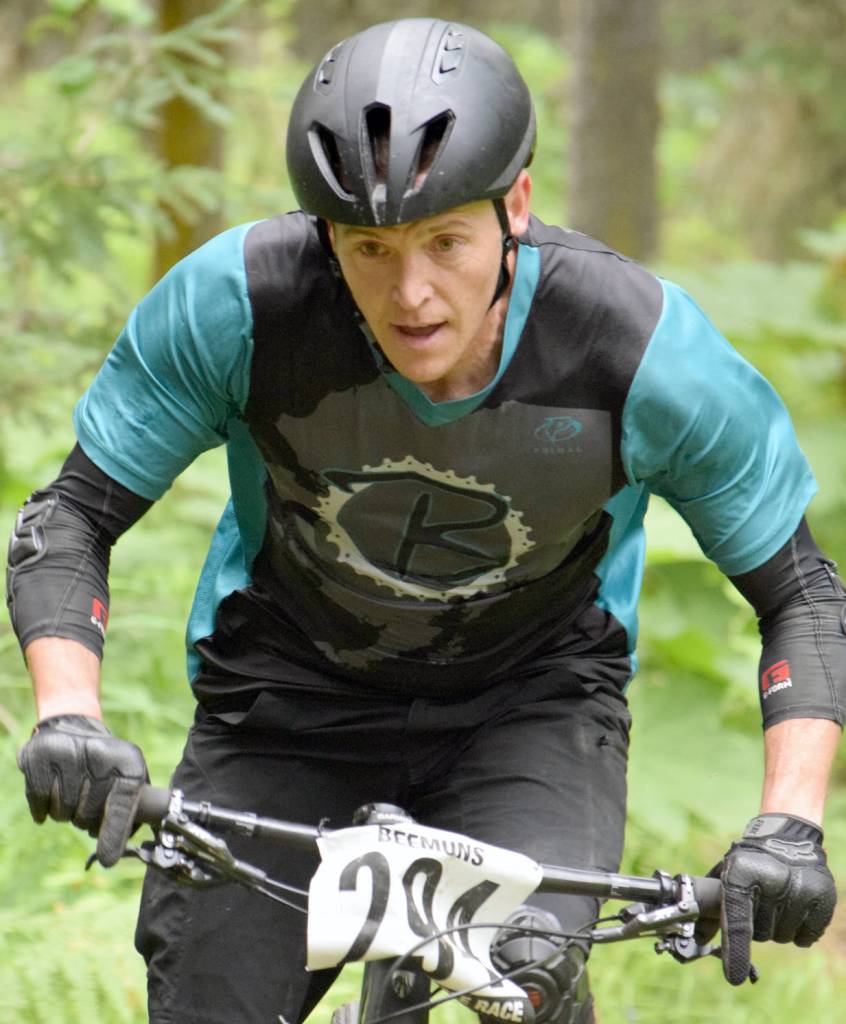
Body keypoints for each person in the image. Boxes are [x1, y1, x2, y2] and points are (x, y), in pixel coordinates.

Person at [7, 17, 844, 1024]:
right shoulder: (242, 306)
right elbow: (71, 518)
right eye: (369, 248)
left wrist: (790, 823)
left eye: (447, 242)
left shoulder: (640, 352)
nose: (412, 294)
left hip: (529, 706)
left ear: (516, 207)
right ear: (324, 236)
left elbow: (798, 593)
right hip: (288, 697)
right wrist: (69, 714)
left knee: (527, 986)